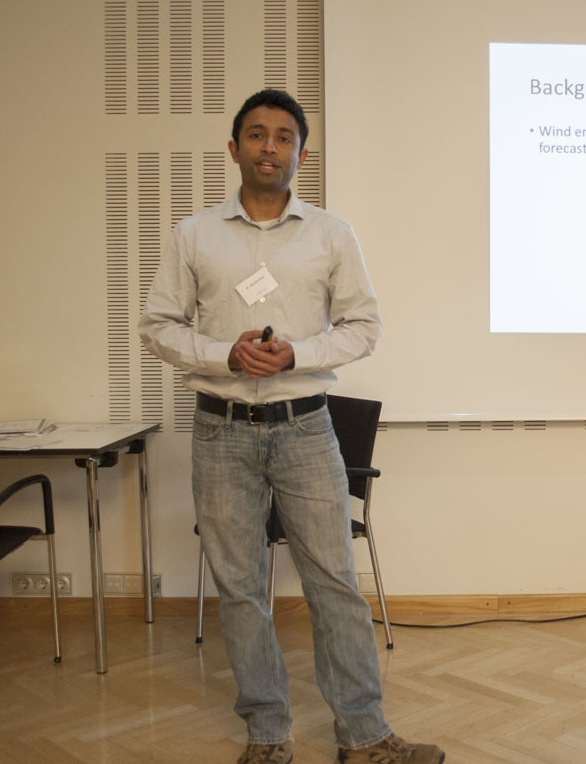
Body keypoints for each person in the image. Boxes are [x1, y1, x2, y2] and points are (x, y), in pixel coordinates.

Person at [139, 89, 443, 764]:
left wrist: (296, 354)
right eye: (257, 134)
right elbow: (157, 326)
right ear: (234, 148)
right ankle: (267, 733)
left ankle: (363, 734)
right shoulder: (194, 234)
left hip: (306, 427)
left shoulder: (333, 234)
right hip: (220, 430)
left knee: (334, 582)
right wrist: (224, 354)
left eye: (283, 136)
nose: (269, 147)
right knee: (240, 586)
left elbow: (364, 326)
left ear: (302, 153)